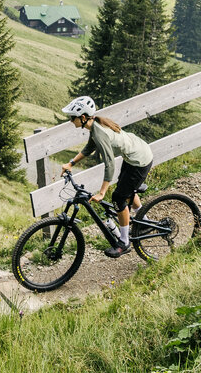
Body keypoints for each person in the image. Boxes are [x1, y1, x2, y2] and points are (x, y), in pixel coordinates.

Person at [58, 96, 153, 258]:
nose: (70, 121)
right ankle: (145, 222)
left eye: (72, 118)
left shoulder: (99, 132)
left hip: (139, 160)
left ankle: (124, 242)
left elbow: (109, 164)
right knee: (126, 190)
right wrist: (71, 163)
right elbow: (89, 148)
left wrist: (102, 192)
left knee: (118, 198)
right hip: (136, 154)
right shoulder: (94, 126)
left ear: (83, 117)